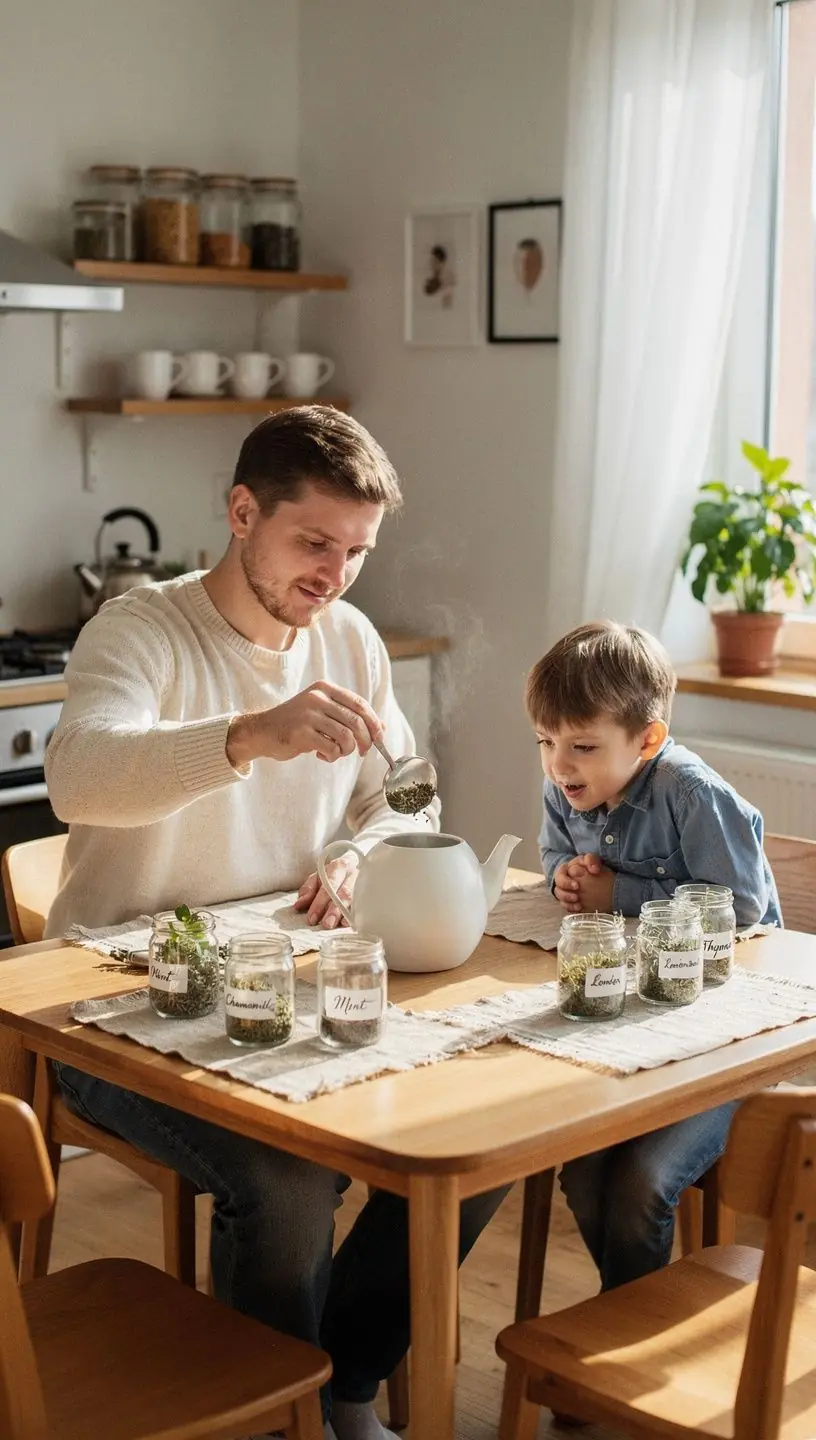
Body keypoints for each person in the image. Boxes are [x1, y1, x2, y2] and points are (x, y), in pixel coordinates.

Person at [45, 406, 508, 1440]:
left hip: (282, 981)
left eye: (356, 551)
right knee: (294, 1182)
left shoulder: (347, 638)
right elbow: (78, 780)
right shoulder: (139, 631)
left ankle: (332, 1389)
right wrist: (250, 735)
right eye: (314, 543)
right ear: (243, 512)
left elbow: (408, 797)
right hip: (116, 1007)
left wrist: (354, 849)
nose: (335, 575)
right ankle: (276, 1420)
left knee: (479, 1141)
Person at [524, 619, 780, 1296]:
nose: (559, 765)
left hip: (726, 1038)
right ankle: (627, 1311)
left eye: (581, 745)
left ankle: (625, 1338)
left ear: (649, 739)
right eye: (546, 742)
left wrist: (618, 891)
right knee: (582, 1170)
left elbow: (744, 908)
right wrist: (565, 879)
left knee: (642, 1182)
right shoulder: (566, 785)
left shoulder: (693, 793)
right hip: (634, 1016)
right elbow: (554, 855)